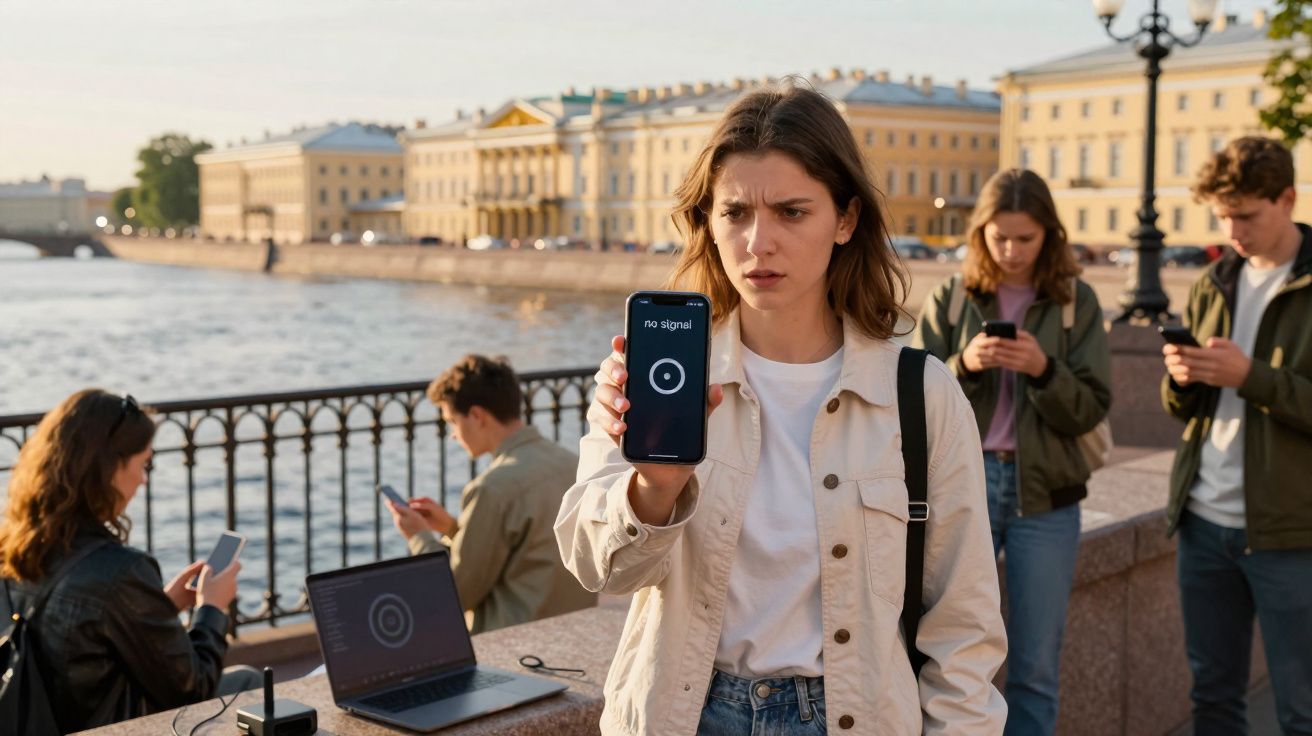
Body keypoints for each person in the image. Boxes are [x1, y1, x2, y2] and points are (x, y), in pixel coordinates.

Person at [555, 83, 1006, 736]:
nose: (758, 242)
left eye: (792, 212)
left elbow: (963, 622)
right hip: (687, 713)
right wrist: (654, 487)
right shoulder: (652, 380)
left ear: (846, 220)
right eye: (735, 212)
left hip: (849, 717)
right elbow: (599, 566)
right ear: (708, 222)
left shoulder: (920, 394)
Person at [913, 168, 1111, 735]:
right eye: (999, 237)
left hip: (1045, 496)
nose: (1011, 250)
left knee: (1035, 667)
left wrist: (1044, 370)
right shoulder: (954, 295)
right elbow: (910, 401)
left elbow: (1092, 407)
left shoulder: (1077, 301)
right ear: (980, 234)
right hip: (960, 488)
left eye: (1025, 238)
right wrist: (965, 367)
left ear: (1049, 235)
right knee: (944, 652)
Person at [1161, 136, 1312, 735]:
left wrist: (1254, 377)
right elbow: (1183, 412)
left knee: (1302, 710)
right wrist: (1181, 380)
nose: (1233, 231)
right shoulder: (1215, 279)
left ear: (1288, 199)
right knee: (1214, 699)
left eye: (1246, 216)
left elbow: (1264, 386)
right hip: (1203, 522)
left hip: (1290, 532)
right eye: (1224, 216)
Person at [0, 389, 260, 733]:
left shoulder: (13, 548)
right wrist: (212, 609)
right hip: (121, 728)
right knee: (249, 683)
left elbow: (76, 640)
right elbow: (191, 688)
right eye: (142, 464)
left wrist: (159, 606)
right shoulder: (120, 571)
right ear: (108, 468)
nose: (143, 479)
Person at [385, 354, 595, 634]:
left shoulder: (492, 488)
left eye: (451, 421)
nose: (452, 435)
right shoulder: (571, 463)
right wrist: (451, 528)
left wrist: (418, 536)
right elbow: (523, 556)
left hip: (514, 646)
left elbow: (455, 594)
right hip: (575, 631)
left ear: (476, 416)